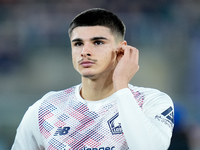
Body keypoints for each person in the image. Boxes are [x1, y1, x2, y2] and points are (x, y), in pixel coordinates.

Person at [11, 8, 174, 150]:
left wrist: (121, 85)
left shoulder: (151, 101)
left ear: (121, 50)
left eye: (97, 42)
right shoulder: (45, 109)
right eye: (78, 44)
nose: (85, 51)